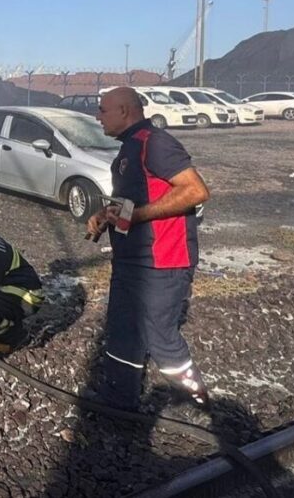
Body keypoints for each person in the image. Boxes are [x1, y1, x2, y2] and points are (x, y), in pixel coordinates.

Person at [87, 86, 211, 411]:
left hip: (164, 262)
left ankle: (197, 401)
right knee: (122, 328)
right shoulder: (128, 149)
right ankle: (118, 401)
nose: (97, 116)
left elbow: (195, 191)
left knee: (160, 336)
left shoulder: (155, 143)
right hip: (131, 261)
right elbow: (134, 201)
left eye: (102, 110)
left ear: (125, 111)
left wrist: (139, 216)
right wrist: (106, 215)